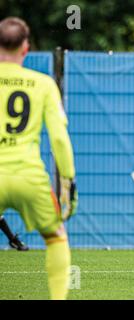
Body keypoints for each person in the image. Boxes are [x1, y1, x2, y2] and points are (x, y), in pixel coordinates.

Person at [0, 17, 78, 299]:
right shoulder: (43, 84)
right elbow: (58, 138)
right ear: (25, 47)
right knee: (56, 237)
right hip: (28, 177)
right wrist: (68, 179)